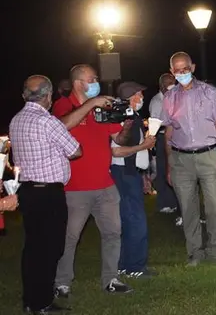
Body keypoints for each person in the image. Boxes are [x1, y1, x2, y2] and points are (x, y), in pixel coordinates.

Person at [52, 64, 135, 296]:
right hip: (75, 187)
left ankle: (111, 279)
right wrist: (91, 104)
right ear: (79, 83)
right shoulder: (64, 105)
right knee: (69, 238)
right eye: (93, 78)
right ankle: (62, 282)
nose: (97, 81)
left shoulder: (100, 108)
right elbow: (62, 126)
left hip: (105, 184)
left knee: (112, 233)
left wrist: (126, 125)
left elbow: (117, 137)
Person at [11, 75, 81, 314]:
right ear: (48, 96)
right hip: (48, 193)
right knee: (51, 248)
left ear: (24, 95)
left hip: (27, 192)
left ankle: (31, 300)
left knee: (32, 247)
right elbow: (75, 150)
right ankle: (42, 302)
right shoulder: (47, 121)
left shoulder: (16, 120)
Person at [161, 52, 216, 266]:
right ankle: (195, 252)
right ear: (171, 71)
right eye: (177, 70)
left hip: (210, 155)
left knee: (215, 206)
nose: (182, 73)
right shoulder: (169, 98)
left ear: (192, 67)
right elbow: (168, 134)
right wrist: (169, 165)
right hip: (181, 160)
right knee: (188, 208)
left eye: (185, 68)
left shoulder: (209, 92)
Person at [109, 82, 157, 278]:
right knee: (135, 220)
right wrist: (144, 145)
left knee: (126, 220)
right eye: (138, 95)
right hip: (124, 173)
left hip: (130, 173)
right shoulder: (122, 118)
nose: (141, 98)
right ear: (129, 97)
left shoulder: (131, 117)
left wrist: (143, 173)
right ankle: (135, 267)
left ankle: (122, 264)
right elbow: (117, 151)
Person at [149, 73, 178, 215]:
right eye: (168, 83)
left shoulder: (174, 98)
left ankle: (174, 202)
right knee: (162, 169)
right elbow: (155, 125)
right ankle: (163, 203)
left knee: (174, 169)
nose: (171, 85)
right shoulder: (156, 101)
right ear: (161, 85)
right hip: (161, 139)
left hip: (175, 138)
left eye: (173, 81)